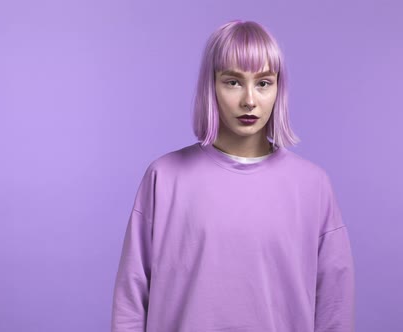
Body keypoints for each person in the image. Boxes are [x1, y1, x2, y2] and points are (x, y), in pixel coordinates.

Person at [111, 20, 355, 332]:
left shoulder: (312, 185)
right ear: (210, 86)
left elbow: (334, 304)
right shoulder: (164, 177)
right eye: (233, 82)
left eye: (263, 83)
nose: (249, 100)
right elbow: (131, 299)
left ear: (279, 88)